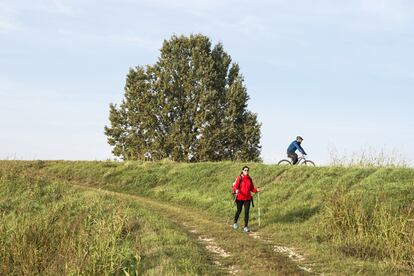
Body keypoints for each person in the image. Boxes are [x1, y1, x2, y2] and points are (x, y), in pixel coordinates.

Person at [232, 166, 259, 232]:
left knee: (246, 212)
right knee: (239, 210)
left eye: (247, 170)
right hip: (240, 198)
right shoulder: (240, 178)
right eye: (245, 170)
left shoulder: (249, 179)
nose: (246, 171)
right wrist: (236, 191)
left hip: (247, 198)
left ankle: (246, 227)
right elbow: (235, 187)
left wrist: (256, 190)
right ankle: (235, 222)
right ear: (242, 171)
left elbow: (252, 188)